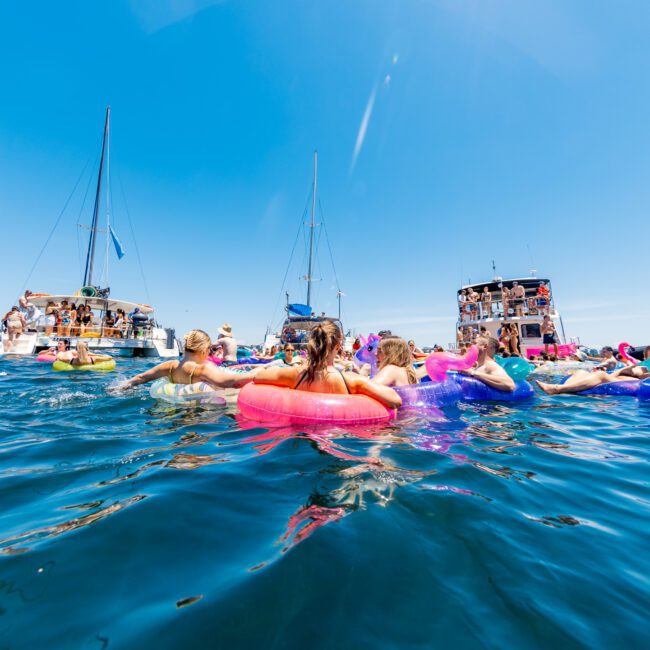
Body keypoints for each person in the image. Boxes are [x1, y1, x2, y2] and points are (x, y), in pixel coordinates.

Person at [253, 321, 402, 408]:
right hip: (337, 444)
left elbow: (258, 376)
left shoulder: (295, 374)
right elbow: (395, 400)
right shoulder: (352, 380)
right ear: (337, 346)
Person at [118, 329, 258, 390]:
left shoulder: (170, 366)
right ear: (203, 350)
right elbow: (230, 382)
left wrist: (119, 387)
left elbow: (141, 378)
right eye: (209, 349)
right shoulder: (203, 369)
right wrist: (257, 374)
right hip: (197, 416)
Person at [536, 348, 650, 395]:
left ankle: (557, 389)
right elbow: (616, 373)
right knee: (581, 372)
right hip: (617, 380)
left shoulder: (643, 370)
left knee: (600, 375)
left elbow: (644, 379)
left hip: (632, 386)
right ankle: (567, 389)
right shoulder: (640, 366)